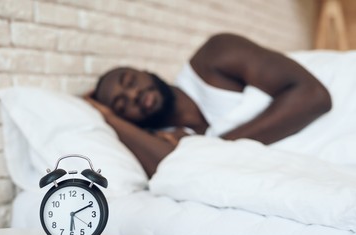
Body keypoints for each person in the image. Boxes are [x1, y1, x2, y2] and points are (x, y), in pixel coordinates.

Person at [85, 33, 331, 177]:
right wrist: (107, 118)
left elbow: (315, 96)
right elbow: (171, 169)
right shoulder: (169, 142)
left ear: (145, 71)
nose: (134, 95)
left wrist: (216, 147)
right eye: (121, 105)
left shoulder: (214, 56)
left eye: (130, 81)